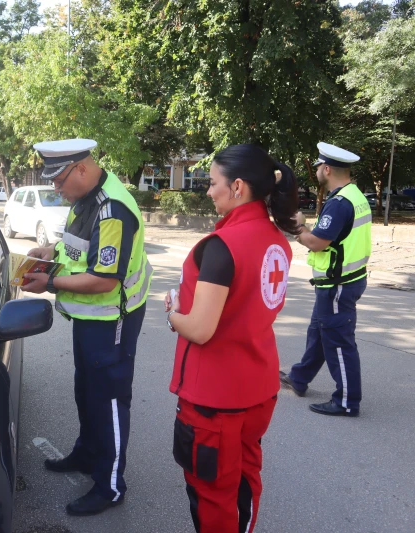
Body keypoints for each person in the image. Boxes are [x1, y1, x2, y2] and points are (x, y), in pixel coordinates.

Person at [163, 144, 299, 532]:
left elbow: (202, 329)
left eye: (212, 183)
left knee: (211, 495)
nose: (208, 191)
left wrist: (173, 313)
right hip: (257, 387)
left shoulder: (223, 247)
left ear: (237, 186)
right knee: (245, 479)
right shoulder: (276, 239)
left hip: (214, 399)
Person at [21, 138, 153, 516]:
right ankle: (87, 453)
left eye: (59, 181)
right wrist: (52, 255)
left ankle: (111, 485)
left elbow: (103, 280)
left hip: (111, 319)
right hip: (90, 318)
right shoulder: (85, 198)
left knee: (108, 398)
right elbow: (80, 249)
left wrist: (50, 282)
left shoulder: (112, 209)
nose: (57, 190)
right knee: (86, 390)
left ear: (81, 168)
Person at [280, 143, 371, 417]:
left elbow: (318, 243)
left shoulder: (340, 203)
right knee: (320, 333)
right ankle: (300, 377)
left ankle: (346, 402)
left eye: (319, 166)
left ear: (327, 169)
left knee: (339, 342)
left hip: (338, 285)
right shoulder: (355, 195)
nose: (317, 170)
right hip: (342, 282)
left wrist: (298, 226)